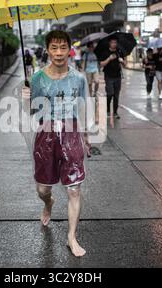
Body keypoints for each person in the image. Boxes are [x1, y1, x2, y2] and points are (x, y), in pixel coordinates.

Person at [21, 30, 89, 257]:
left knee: (74, 189)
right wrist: (25, 98)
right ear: (48, 50)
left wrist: (85, 138)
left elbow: (83, 109)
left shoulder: (79, 79)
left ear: (69, 49)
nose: (59, 53)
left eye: (63, 48)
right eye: (54, 48)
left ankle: (71, 237)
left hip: (71, 134)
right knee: (42, 189)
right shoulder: (38, 79)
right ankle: (48, 202)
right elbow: (30, 113)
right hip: (46, 135)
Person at [99, 36, 127, 119]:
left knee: (116, 95)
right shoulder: (105, 52)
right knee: (110, 93)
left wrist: (122, 61)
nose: (114, 44)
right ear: (109, 43)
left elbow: (125, 64)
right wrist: (109, 59)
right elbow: (101, 64)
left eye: (115, 42)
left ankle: (115, 112)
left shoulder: (119, 52)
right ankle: (107, 109)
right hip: (108, 76)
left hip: (118, 76)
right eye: (112, 42)